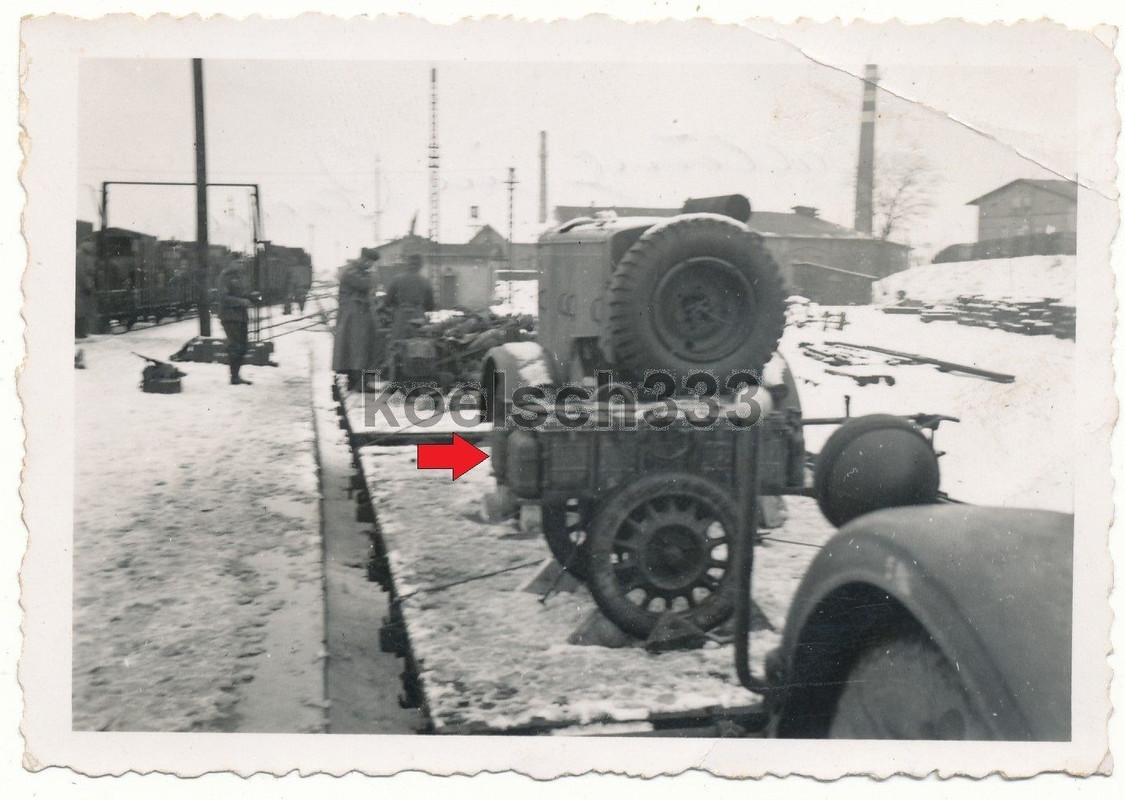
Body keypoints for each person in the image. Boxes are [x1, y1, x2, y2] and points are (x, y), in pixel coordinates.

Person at [332, 255, 380, 391]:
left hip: (355, 315)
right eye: (370, 263)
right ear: (364, 260)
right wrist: (373, 275)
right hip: (354, 316)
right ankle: (359, 384)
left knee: (353, 349)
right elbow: (365, 285)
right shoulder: (352, 271)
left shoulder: (354, 270)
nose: (371, 266)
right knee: (358, 349)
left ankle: (354, 382)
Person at [384, 254, 435, 377]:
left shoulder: (396, 279)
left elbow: (388, 301)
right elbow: (430, 305)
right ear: (420, 265)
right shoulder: (425, 281)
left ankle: (393, 377)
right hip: (418, 317)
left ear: (407, 264)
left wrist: (398, 306)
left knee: (396, 347)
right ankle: (419, 377)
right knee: (419, 349)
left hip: (401, 317)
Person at [218, 260, 255, 386]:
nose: (241, 265)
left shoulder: (240, 277)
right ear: (230, 263)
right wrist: (242, 302)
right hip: (230, 317)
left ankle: (236, 375)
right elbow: (223, 298)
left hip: (241, 317)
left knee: (243, 346)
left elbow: (241, 293)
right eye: (237, 262)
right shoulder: (224, 277)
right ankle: (234, 377)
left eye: (241, 262)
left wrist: (251, 296)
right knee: (235, 346)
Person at [75, 240, 99, 338]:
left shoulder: (80, 254)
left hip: (81, 286)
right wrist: (88, 286)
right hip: (83, 287)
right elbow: (83, 272)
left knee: (81, 309)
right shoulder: (84, 256)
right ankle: (81, 332)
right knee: (82, 310)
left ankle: (82, 332)